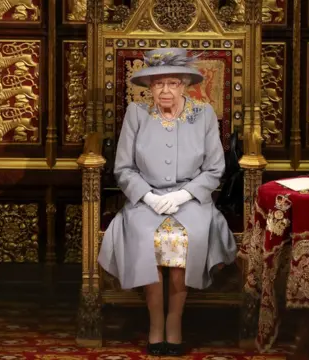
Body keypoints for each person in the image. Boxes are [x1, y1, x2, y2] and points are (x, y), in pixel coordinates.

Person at [98, 48, 237, 356]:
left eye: (172, 83)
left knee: (184, 239)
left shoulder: (203, 115)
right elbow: (123, 167)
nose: (165, 90)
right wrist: (146, 195)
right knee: (147, 237)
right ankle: (155, 323)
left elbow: (215, 169)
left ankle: (174, 321)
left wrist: (184, 195)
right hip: (144, 199)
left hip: (191, 200)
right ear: (149, 87)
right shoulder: (136, 114)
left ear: (185, 84)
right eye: (158, 83)